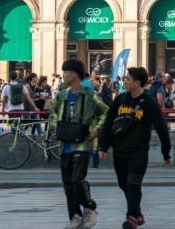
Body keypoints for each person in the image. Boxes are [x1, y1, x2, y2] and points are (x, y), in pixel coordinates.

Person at [97, 66, 173, 229]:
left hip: (138, 152)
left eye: (127, 79)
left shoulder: (149, 103)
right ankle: (137, 212)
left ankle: (131, 217)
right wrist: (103, 146)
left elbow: (161, 127)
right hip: (119, 152)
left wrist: (166, 152)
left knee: (133, 184)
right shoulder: (120, 99)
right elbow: (108, 123)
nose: (124, 81)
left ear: (137, 83)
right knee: (124, 185)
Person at [49, 60, 109, 229]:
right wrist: (54, 127)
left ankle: (89, 208)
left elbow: (106, 112)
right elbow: (53, 114)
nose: (63, 75)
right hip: (65, 144)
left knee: (77, 179)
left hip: (83, 145)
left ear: (75, 73)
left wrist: (96, 129)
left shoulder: (90, 95)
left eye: (66, 72)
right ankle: (75, 216)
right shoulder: (61, 95)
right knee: (67, 182)